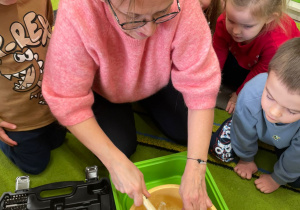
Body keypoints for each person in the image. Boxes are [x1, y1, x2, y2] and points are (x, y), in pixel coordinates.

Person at [42, 0, 221, 208]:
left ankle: (145, 92)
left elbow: (202, 83)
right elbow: (66, 99)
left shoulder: (183, 5)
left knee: (187, 133)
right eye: (134, 19)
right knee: (121, 147)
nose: (150, 30)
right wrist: (113, 160)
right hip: (104, 88)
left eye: (162, 13)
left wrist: (197, 165)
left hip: (158, 77)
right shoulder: (77, 9)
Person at [210, 37, 300, 193]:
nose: (273, 112)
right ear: (268, 75)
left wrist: (277, 178)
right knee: (220, 149)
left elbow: (296, 156)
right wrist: (246, 159)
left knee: (296, 179)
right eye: (270, 96)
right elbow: (243, 129)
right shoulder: (252, 92)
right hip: (250, 122)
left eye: (291, 110)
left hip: (288, 139)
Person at [0, 0, 66, 175]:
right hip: (16, 119)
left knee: (57, 141)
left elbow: (48, 31)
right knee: (35, 165)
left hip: (51, 102)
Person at [213, 0, 300, 114]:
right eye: (231, 20)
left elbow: (262, 72)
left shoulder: (274, 43)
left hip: (276, 66)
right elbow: (218, 51)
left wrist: (240, 94)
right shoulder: (223, 21)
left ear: (269, 18)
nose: (236, 31)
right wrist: (213, 79)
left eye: (248, 26)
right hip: (244, 55)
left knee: (268, 94)